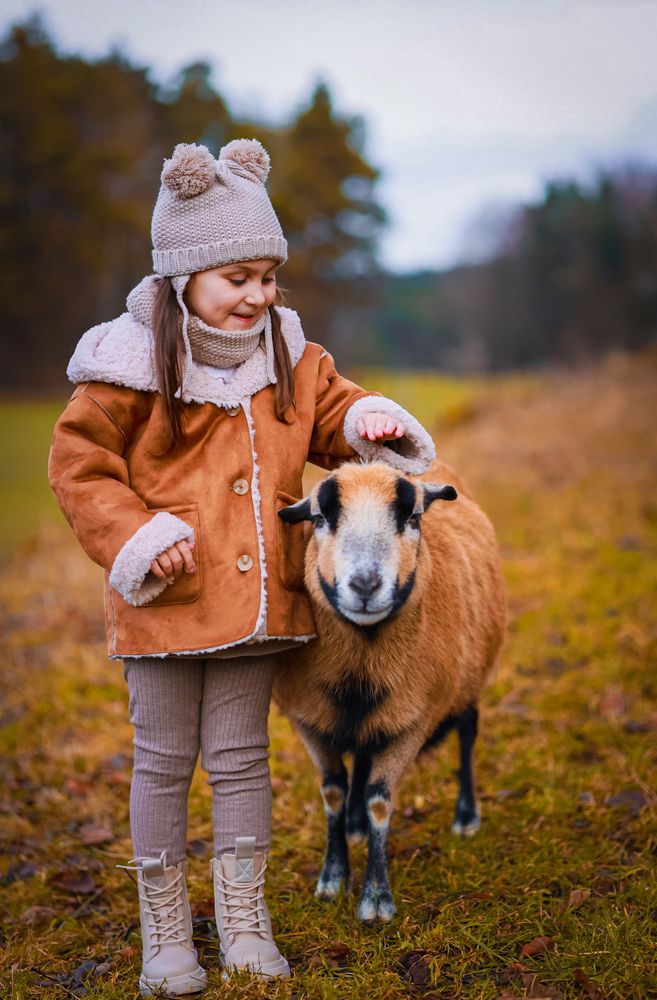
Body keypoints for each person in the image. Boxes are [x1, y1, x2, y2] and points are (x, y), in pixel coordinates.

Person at [48, 137, 435, 996]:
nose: (258, 296)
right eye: (238, 279)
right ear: (184, 276)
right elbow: (80, 467)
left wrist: (369, 421)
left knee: (241, 760)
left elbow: (334, 411)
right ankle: (164, 934)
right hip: (165, 600)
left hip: (260, 604)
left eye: (269, 277)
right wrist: (136, 538)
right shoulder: (128, 365)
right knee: (162, 760)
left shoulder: (289, 358)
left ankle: (242, 920)